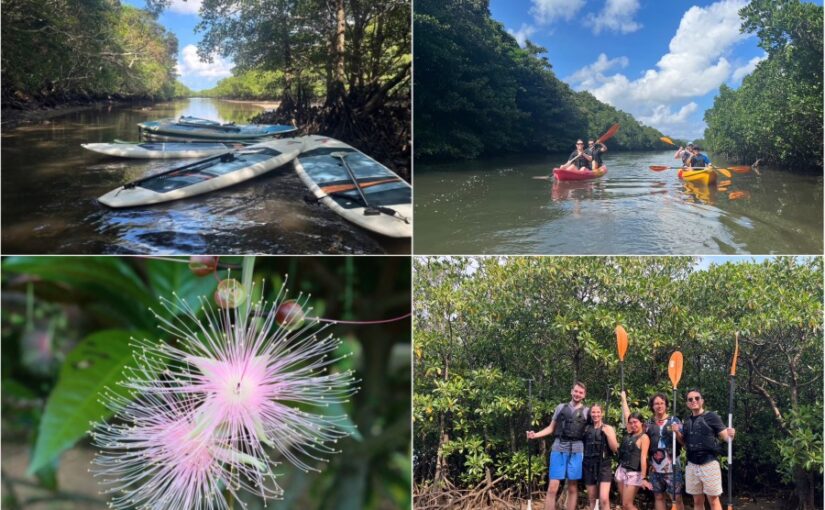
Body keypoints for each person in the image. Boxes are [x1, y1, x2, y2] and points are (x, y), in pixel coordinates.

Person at [527, 382, 590, 510]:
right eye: (576, 391)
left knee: (573, 486)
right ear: (571, 391)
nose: (577, 394)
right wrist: (535, 435)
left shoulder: (587, 412)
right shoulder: (560, 407)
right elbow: (551, 428)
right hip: (559, 447)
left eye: (581, 392)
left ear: (584, 395)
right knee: (552, 486)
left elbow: (596, 427)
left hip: (577, 449)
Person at [672, 389, 736, 510]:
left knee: (713, 500)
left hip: (709, 463)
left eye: (696, 398)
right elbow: (685, 443)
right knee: (697, 501)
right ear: (687, 403)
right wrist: (677, 432)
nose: (694, 401)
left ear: (702, 401)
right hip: (692, 465)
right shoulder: (686, 421)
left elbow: (727, 438)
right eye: (690, 399)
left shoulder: (712, 416)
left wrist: (731, 434)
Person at [645, 393, 684, 510]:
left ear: (666, 405)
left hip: (672, 466)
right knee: (658, 496)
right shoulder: (648, 424)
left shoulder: (674, 420)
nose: (659, 406)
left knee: (676, 498)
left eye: (662, 403)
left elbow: (683, 442)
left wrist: (676, 432)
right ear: (652, 406)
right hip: (654, 467)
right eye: (656, 403)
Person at [582, 402, 619, 510]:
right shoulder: (586, 429)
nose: (595, 414)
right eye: (593, 412)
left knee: (603, 498)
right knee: (592, 499)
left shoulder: (608, 428)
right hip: (588, 465)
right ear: (590, 413)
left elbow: (615, 448)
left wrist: (608, 435)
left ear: (602, 413)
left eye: (598, 412)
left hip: (604, 465)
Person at [619, 391, 651, 510]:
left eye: (635, 422)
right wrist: (624, 399)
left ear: (641, 423)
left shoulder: (644, 437)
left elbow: (643, 459)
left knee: (628, 504)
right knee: (624, 505)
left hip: (634, 474)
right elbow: (627, 414)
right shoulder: (630, 433)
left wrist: (643, 478)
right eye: (631, 423)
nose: (633, 425)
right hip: (622, 471)